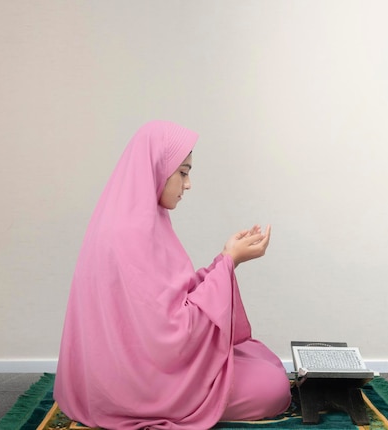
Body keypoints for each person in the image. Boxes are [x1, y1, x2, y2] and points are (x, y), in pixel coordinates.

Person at [54, 120, 291, 429]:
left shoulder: (142, 219)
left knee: (261, 357)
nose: (188, 184)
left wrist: (226, 259)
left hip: (142, 366)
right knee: (273, 386)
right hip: (138, 382)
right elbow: (169, 332)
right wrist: (229, 262)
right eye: (183, 172)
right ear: (155, 168)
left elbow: (173, 297)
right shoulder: (130, 234)